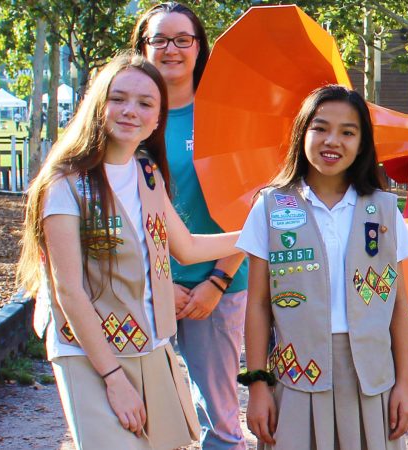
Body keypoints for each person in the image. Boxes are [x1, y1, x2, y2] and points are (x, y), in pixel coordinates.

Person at [17, 51, 243, 449]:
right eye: (118, 99)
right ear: (97, 103)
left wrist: (258, 235)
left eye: (145, 103)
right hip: (88, 351)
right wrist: (112, 379)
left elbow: (186, 249)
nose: (129, 111)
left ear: (159, 118)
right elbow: (68, 291)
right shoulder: (65, 184)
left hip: (149, 342)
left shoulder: (147, 172)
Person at [237, 85, 408, 450]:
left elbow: (398, 306)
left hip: (371, 379)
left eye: (348, 132)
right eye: (320, 128)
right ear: (302, 133)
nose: (332, 141)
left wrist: (405, 384)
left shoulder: (382, 210)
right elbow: (257, 304)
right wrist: (257, 385)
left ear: (362, 143)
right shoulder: (271, 207)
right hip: (296, 376)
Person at [132, 4, 249, 449]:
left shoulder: (225, 114)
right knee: (143, 411)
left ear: (200, 47)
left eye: (183, 39)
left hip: (211, 289)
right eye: (159, 39)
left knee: (217, 419)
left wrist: (217, 280)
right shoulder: (130, 111)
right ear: (143, 47)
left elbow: (252, 208)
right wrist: (154, 281)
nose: (171, 49)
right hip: (140, 288)